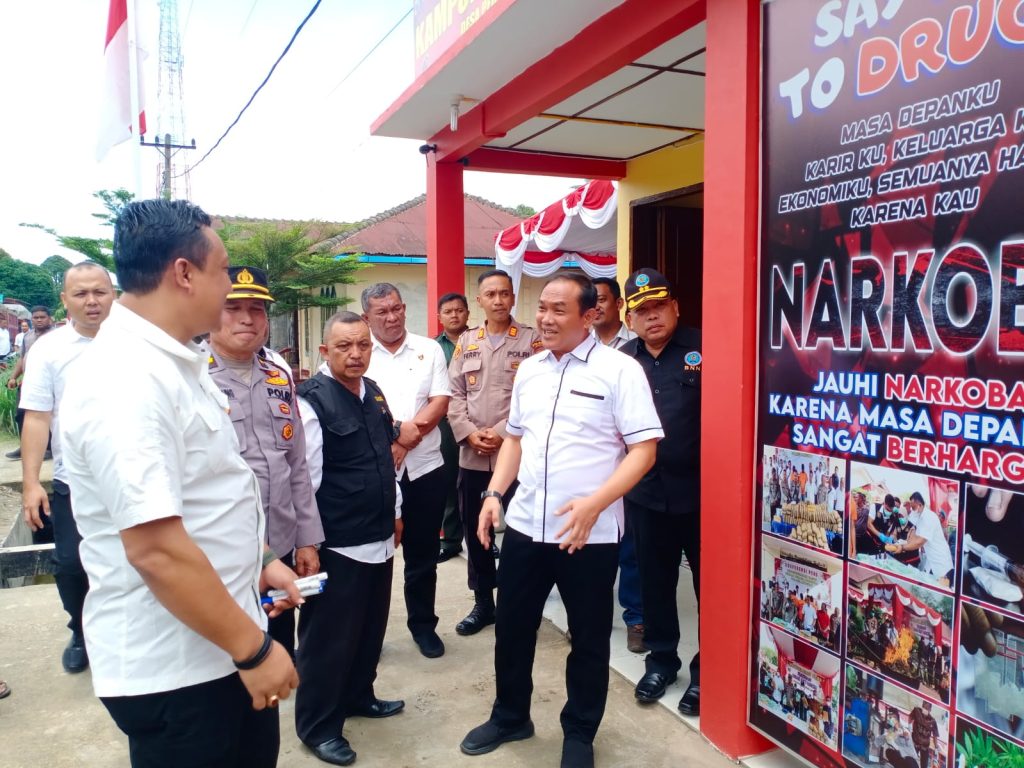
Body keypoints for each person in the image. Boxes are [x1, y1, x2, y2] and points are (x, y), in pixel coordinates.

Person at [59, 199, 302, 767]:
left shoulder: (172, 363)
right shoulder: (126, 379)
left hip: (218, 642)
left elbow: (205, 492)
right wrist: (254, 650)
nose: (230, 288)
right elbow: (156, 550)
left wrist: (261, 558)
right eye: (223, 271)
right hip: (181, 668)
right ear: (184, 273)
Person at [459, 273, 661, 768]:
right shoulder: (530, 370)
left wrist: (597, 503)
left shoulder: (620, 371)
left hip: (587, 535)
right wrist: (494, 493)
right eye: (542, 308)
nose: (545, 319)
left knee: (588, 639)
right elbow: (515, 438)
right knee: (512, 628)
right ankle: (511, 716)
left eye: (558, 310)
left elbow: (644, 450)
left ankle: (579, 733)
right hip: (527, 526)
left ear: (589, 315)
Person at [295, 311, 406, 766]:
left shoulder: (372, 392)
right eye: (344, 346)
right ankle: (319, 727)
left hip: (377, 534)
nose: (355, 354)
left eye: (363, 345)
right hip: (337, 542)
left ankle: (360, 695)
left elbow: (385, 457)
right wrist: (306, 542)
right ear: (325, 351)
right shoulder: (312, 401)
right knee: (328, 640)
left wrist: (395, 512)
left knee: (369, 628)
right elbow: (303, 480)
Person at [207, 266, 324, 659]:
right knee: (230, 655)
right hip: (223, 550)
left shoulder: (278, 376)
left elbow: (297, 464)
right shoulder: (193, 378)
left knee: (279, 644)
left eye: (256, 309)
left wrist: (307, 539)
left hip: (282, 539)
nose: (247, 318)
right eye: (233, 308)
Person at [20, 261, 115, 674]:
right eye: (81, 294)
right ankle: (80, 629)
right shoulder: (49, 350)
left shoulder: (138, 342)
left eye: (100, 292)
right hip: (74, 481)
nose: (92, 301)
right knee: (71, 565)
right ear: (65, 300)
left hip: (134, 478)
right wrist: (31, 483)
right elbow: (37, 417)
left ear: (114, 294)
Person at [619, 268, 703, 716]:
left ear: (675, 307)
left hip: (702, 493)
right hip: (646, 494)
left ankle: (708, 668)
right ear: (629, 319)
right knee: (654, 582)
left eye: (659, 307)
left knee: (710, 586)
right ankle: (662, 661)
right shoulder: (621, 362)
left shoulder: (705, 348)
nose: (652, 317)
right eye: (642, 311)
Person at [361, 282, 452, 658]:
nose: (392, 317)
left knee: (422, 556)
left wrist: (404, 440)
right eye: (382, 312)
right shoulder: (359, 351)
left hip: (425, 469)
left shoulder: (429, 349)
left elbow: (440, 401)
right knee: (371, 558)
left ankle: (423, 625)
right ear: (367, 317)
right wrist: (395, 437)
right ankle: (367, 636)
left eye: (397, 308)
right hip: (374, 474)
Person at [447, 270, 540, 636]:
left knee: (520, 533)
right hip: (472, 455)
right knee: (476, 532)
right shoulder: (467, 341)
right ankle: (483, 602)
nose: (498, 300)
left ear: (513, 297)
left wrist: (501, 432)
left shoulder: (532, 341)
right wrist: (469, 433)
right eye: (491, 294)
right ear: (480, 300)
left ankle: (519, 603)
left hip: (515, 455)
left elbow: (535, 394)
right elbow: (454, 394)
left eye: (504, 293)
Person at [592, 276, 645, 654]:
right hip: (596, 463)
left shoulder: (636, 347)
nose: (596, 308)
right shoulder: (580, 348)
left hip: (634, 463)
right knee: (594, 545)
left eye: (602, 300)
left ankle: (635, 618)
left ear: (619, 304)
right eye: (590, 302)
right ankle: (590, 615)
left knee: (631, 547)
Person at [435, 292, 470, 563]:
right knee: (449, 480)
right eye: (448, 311)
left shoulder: (479, 340)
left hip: (477, 420)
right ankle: (450, 540)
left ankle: (482, 537)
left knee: (476, 482)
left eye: (459, 310)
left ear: (467, 313)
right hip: (446, 423)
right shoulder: (434, 348)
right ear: (440, 317)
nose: (454, 315)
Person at [6, 306, 54, 460]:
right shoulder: (28, 336)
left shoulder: (57, 336)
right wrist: (13, 377)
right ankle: (26, 446)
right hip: (28, 381)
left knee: (46, 414)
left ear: (49, 318)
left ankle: (48, 448)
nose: (39, 320)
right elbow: (22, 359)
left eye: (42, 317)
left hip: (49, 382)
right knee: (21, 414)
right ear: (31, 319)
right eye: (36, 317)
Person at [894, 492, 954, 585]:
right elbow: (912, 539)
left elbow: (919, 542)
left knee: (940, 592)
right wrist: (907, 538)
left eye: (913, 507)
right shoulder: (920, 519)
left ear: (919, 505)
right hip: (931, 563)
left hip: (942, 566)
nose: (912, 510)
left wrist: (902, 547)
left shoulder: (929, 517)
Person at [909, 702, 939, 768]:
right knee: (910, 761)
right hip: (915, 742)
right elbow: (910, 717)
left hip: (925, 746)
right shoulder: (916, 711)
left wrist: (936, 748)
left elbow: (935, 735)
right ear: (922, 706)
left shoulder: (933, 721)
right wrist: (909, 727)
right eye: (924, 707)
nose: (925, 709)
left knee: (924, 765)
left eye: (927, 708)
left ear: (930, 709)